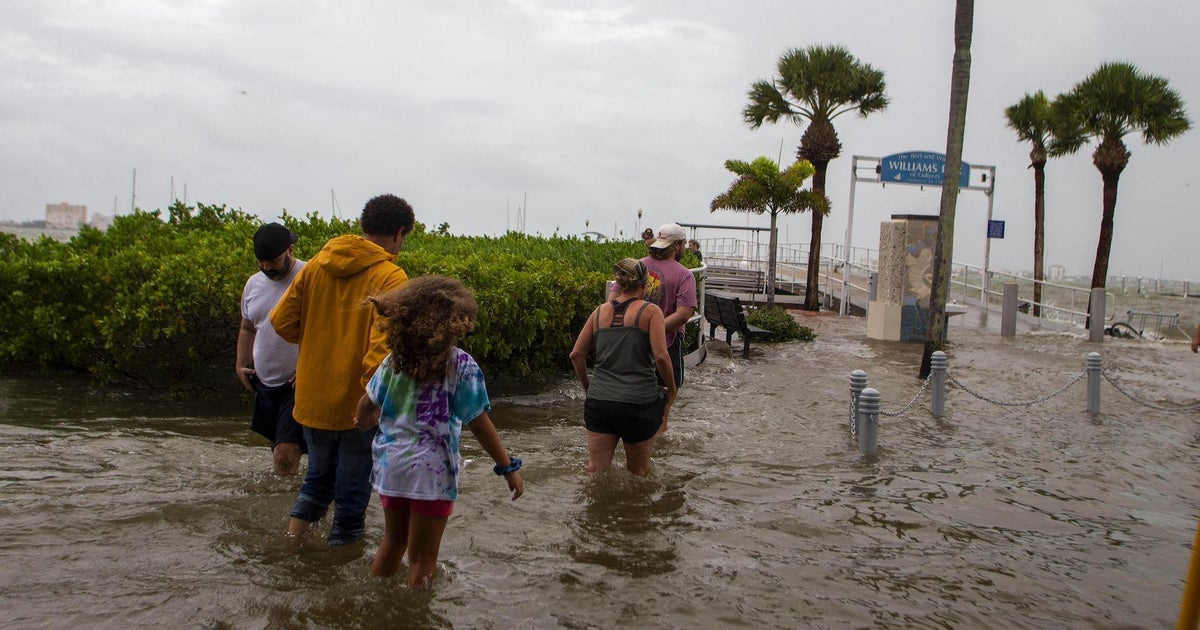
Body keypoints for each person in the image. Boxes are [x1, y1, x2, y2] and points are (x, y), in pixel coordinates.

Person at [353, 275, 524, 588]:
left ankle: (374, 603)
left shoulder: (394, 361)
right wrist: (507, 468)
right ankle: (417, 614)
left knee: (393, 542)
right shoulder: (461, 364)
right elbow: (479, 422)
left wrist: (361, 419)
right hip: (432, 472)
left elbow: (367, 402)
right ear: (457, 320)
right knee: (423, 560)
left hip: (392, 465)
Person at [270, 193, 415, 546]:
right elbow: (382, 350)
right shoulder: (391, 276)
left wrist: (319, 345)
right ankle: (336, 585)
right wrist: (370, 400)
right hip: (355, 406)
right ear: (398, 233)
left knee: (316, 483)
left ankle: (292, 547)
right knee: (350, 505)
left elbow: (281, 321)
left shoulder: (318, 264)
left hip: (311, 399)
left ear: (365, 226)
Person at [570, 258, 676, 476]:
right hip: (639, 403)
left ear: (617, 285)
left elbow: (576, 355)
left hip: (600, 402)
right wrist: (671, 389)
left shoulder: (598, 313)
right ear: (644, 286)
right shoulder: (651, 312)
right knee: (638, 473)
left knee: (594, 471)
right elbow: (662, 358)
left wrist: (589, 389)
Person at [236, 222, 307, 475]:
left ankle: (293, 512)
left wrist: (310, 370)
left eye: (273, 261)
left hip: (299, 382)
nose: (267, 267)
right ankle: (288, 503)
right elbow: (248, 328)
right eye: (261, 262)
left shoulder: (310, 277)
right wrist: (241, 364)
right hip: (265, 382)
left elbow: (328, 329)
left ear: (290, 249)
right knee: (279, 454)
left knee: (285, 456)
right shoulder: (253, 284)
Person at [641, 223, 697, 400]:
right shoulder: (684, 275)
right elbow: (684, 314)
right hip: (668, 343)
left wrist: (638, 327)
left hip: (635, 340)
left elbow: (613, 301)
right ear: (677, 245)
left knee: (638, 391)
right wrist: (655, 329)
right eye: (684, 244)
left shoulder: (639, 266)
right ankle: (662, 427)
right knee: (668, 392)